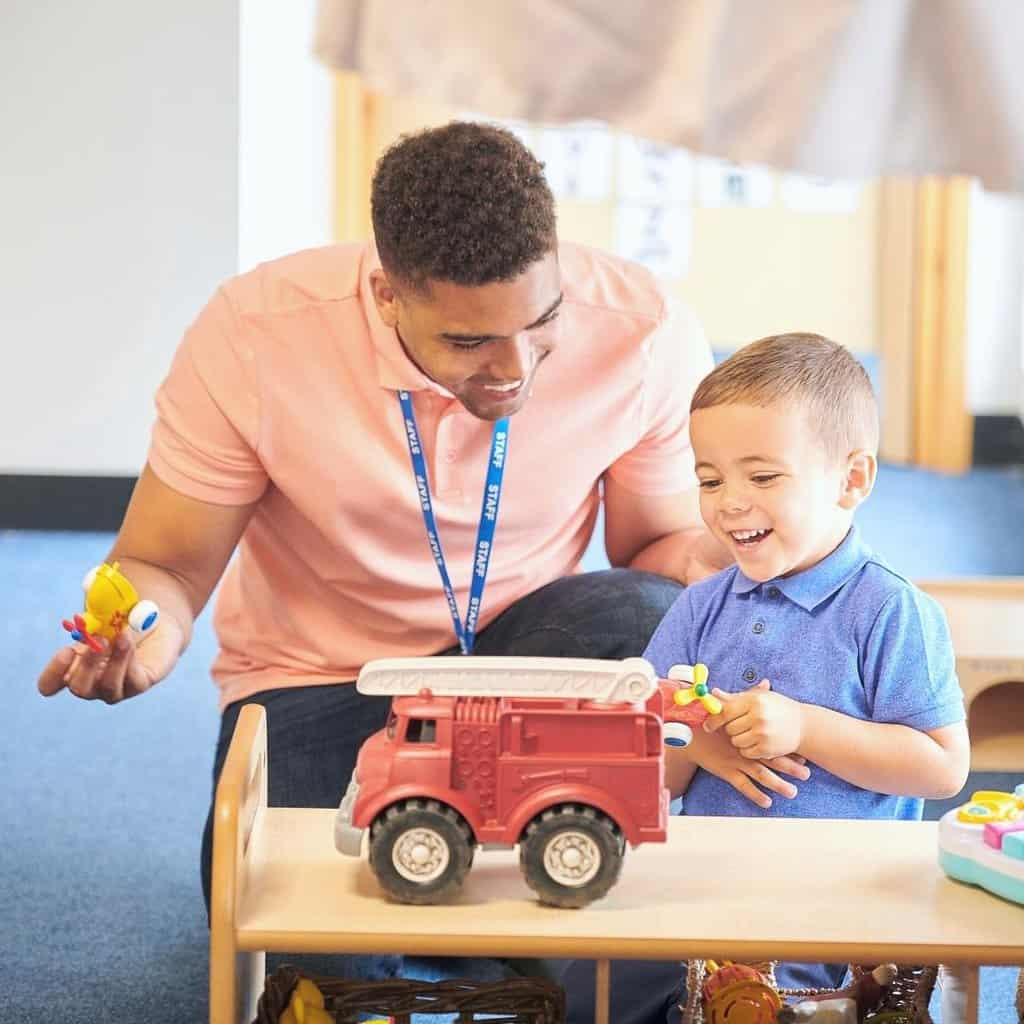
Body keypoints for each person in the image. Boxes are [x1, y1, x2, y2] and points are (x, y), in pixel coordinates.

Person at [36, 122, 813, 959]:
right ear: (385, 294)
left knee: (654, 615)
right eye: (469, 341)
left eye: (543, 320)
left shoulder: (644, 331)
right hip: (322, 681)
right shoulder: (254, 334)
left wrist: (750, 565)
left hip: (525, 664)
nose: (515, 368)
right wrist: (141, 635)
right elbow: (164, 565)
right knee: (295, 958)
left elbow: (654, 546)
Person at [557, 332, 971, 1023]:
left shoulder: (891, 610)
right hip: (704, 893)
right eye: (710, 479)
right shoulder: (699, 604)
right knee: (590, 985)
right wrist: (697, 746)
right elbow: (646, 761)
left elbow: (942, 767)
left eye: (763, 476)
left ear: (853, 480)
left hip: (841, 908)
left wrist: (807, 726)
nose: (728, 503)